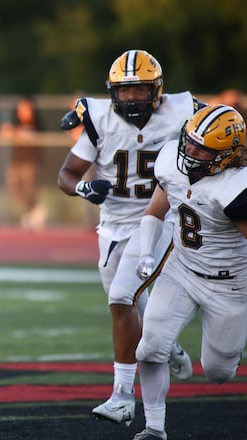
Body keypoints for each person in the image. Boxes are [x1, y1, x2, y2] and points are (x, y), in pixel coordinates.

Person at [57, 49, 202, 426]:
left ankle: (123, 395)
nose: (132, 98)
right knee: (129, 307)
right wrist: (84, 188)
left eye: (140, 90)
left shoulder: (180, 110)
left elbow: (215, 121)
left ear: (157, 91)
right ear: (112, 93)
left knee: (122, 297)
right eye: (124, 91)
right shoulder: (101, 119)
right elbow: (66, 176)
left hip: (159, 219)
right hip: (113, 226)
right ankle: (164, 343)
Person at [132, 104, 247, 440]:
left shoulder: (235, 188)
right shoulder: (172, 160)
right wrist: (145, 253)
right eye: (190, 140)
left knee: (218, 373)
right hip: (180, 270)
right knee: (149, 347)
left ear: (227, 155)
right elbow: (155, 209)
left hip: (229, 285)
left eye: (202, 147)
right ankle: (153, 427)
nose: (191, 150)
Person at [0, 96, 47, 230]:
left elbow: (28, 134)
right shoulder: (16, 123)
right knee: (14, 189)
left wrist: (15, 132)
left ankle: (33, 213)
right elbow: (6, 133)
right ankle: (33, 210)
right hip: (16, 162)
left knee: (29, 190)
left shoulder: (37, 124)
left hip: (30, 163)